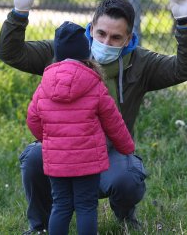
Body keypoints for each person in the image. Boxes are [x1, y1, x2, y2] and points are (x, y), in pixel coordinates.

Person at [0, 0, 187, 234]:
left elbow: (186, 68)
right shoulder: (63, 52)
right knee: (33, 158)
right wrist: (20, 12)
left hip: (110, 154)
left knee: (127, 178)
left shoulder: (141, 62)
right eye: (101, 33)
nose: (106, 42)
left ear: (129, 38)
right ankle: (39, 226)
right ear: (91, 28)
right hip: (65, 147)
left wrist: (184, 22)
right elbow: (11, 53)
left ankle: (125, 215)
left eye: (116, 37)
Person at [26, 21, 135, 235]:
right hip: (88, 162)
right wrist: (126, 147)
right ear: (86, 53)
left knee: (61, 205)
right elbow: (114, 122)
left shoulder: (45, 84)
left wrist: (49, 139)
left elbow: (33, 119)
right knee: (86, 206)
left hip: (56, 161)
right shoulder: (94, 83)